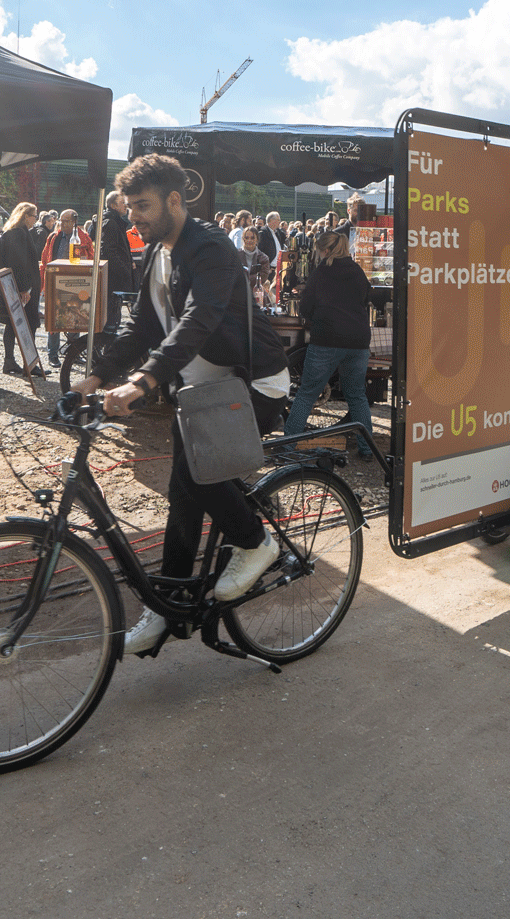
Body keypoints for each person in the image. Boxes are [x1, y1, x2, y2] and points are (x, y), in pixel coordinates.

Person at [82, 153, 291, 656]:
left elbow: (199, 320)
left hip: (250, 384)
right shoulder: (157, 251)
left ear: (175, 200)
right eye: (129, 207)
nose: (134, 216)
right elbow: (142, 325)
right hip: (198, 395)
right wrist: (93, 377)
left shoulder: (211, 247)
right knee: (183, 496)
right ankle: (168, 605)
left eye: (144, 206)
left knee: (199, 476)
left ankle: (257, 542)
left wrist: (143, 381)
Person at [283, 226, 379, 463]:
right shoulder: (357, 271)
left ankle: (286, 447)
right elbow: (367, 298)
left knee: (307, 393)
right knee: (356, 395)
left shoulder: (321, 273)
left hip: (327, 338)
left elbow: (305, 308)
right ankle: (367, 450)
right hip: (357, 340)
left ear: (325, 250)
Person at [41, 208, 97, 366]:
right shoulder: (54, 237)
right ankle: (52, 354)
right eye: (61, 220)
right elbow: (45, 259)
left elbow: (90, 259)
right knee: (53, 320)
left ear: (74, 222)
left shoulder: (83, 238)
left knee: (75, 318)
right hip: (54, 282)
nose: (62, 224)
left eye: (66, 221)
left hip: (75, 283)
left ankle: (73, 353)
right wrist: (44, 282)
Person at [0, 202, 45, 376]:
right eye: (34, 216)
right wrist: (24, 289)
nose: (36, 219)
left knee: (12, 324)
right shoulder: (18, 234)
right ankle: (27, 364)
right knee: (27, 325)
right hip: (22, 289)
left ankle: (12, 362)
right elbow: (19, 263)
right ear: (25, 216)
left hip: (16, 287)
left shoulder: (15, 232)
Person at [89, 192, 137, 330]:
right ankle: (107, 349)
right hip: (114, 280)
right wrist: (124, 269)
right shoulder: (111, 222)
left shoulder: (115, 221)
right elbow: (109, 252)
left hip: (114, 279)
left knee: (112, 318)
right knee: (111, 321)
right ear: (114, 205)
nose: (126, 206)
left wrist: (129, 262)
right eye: (123, 202)